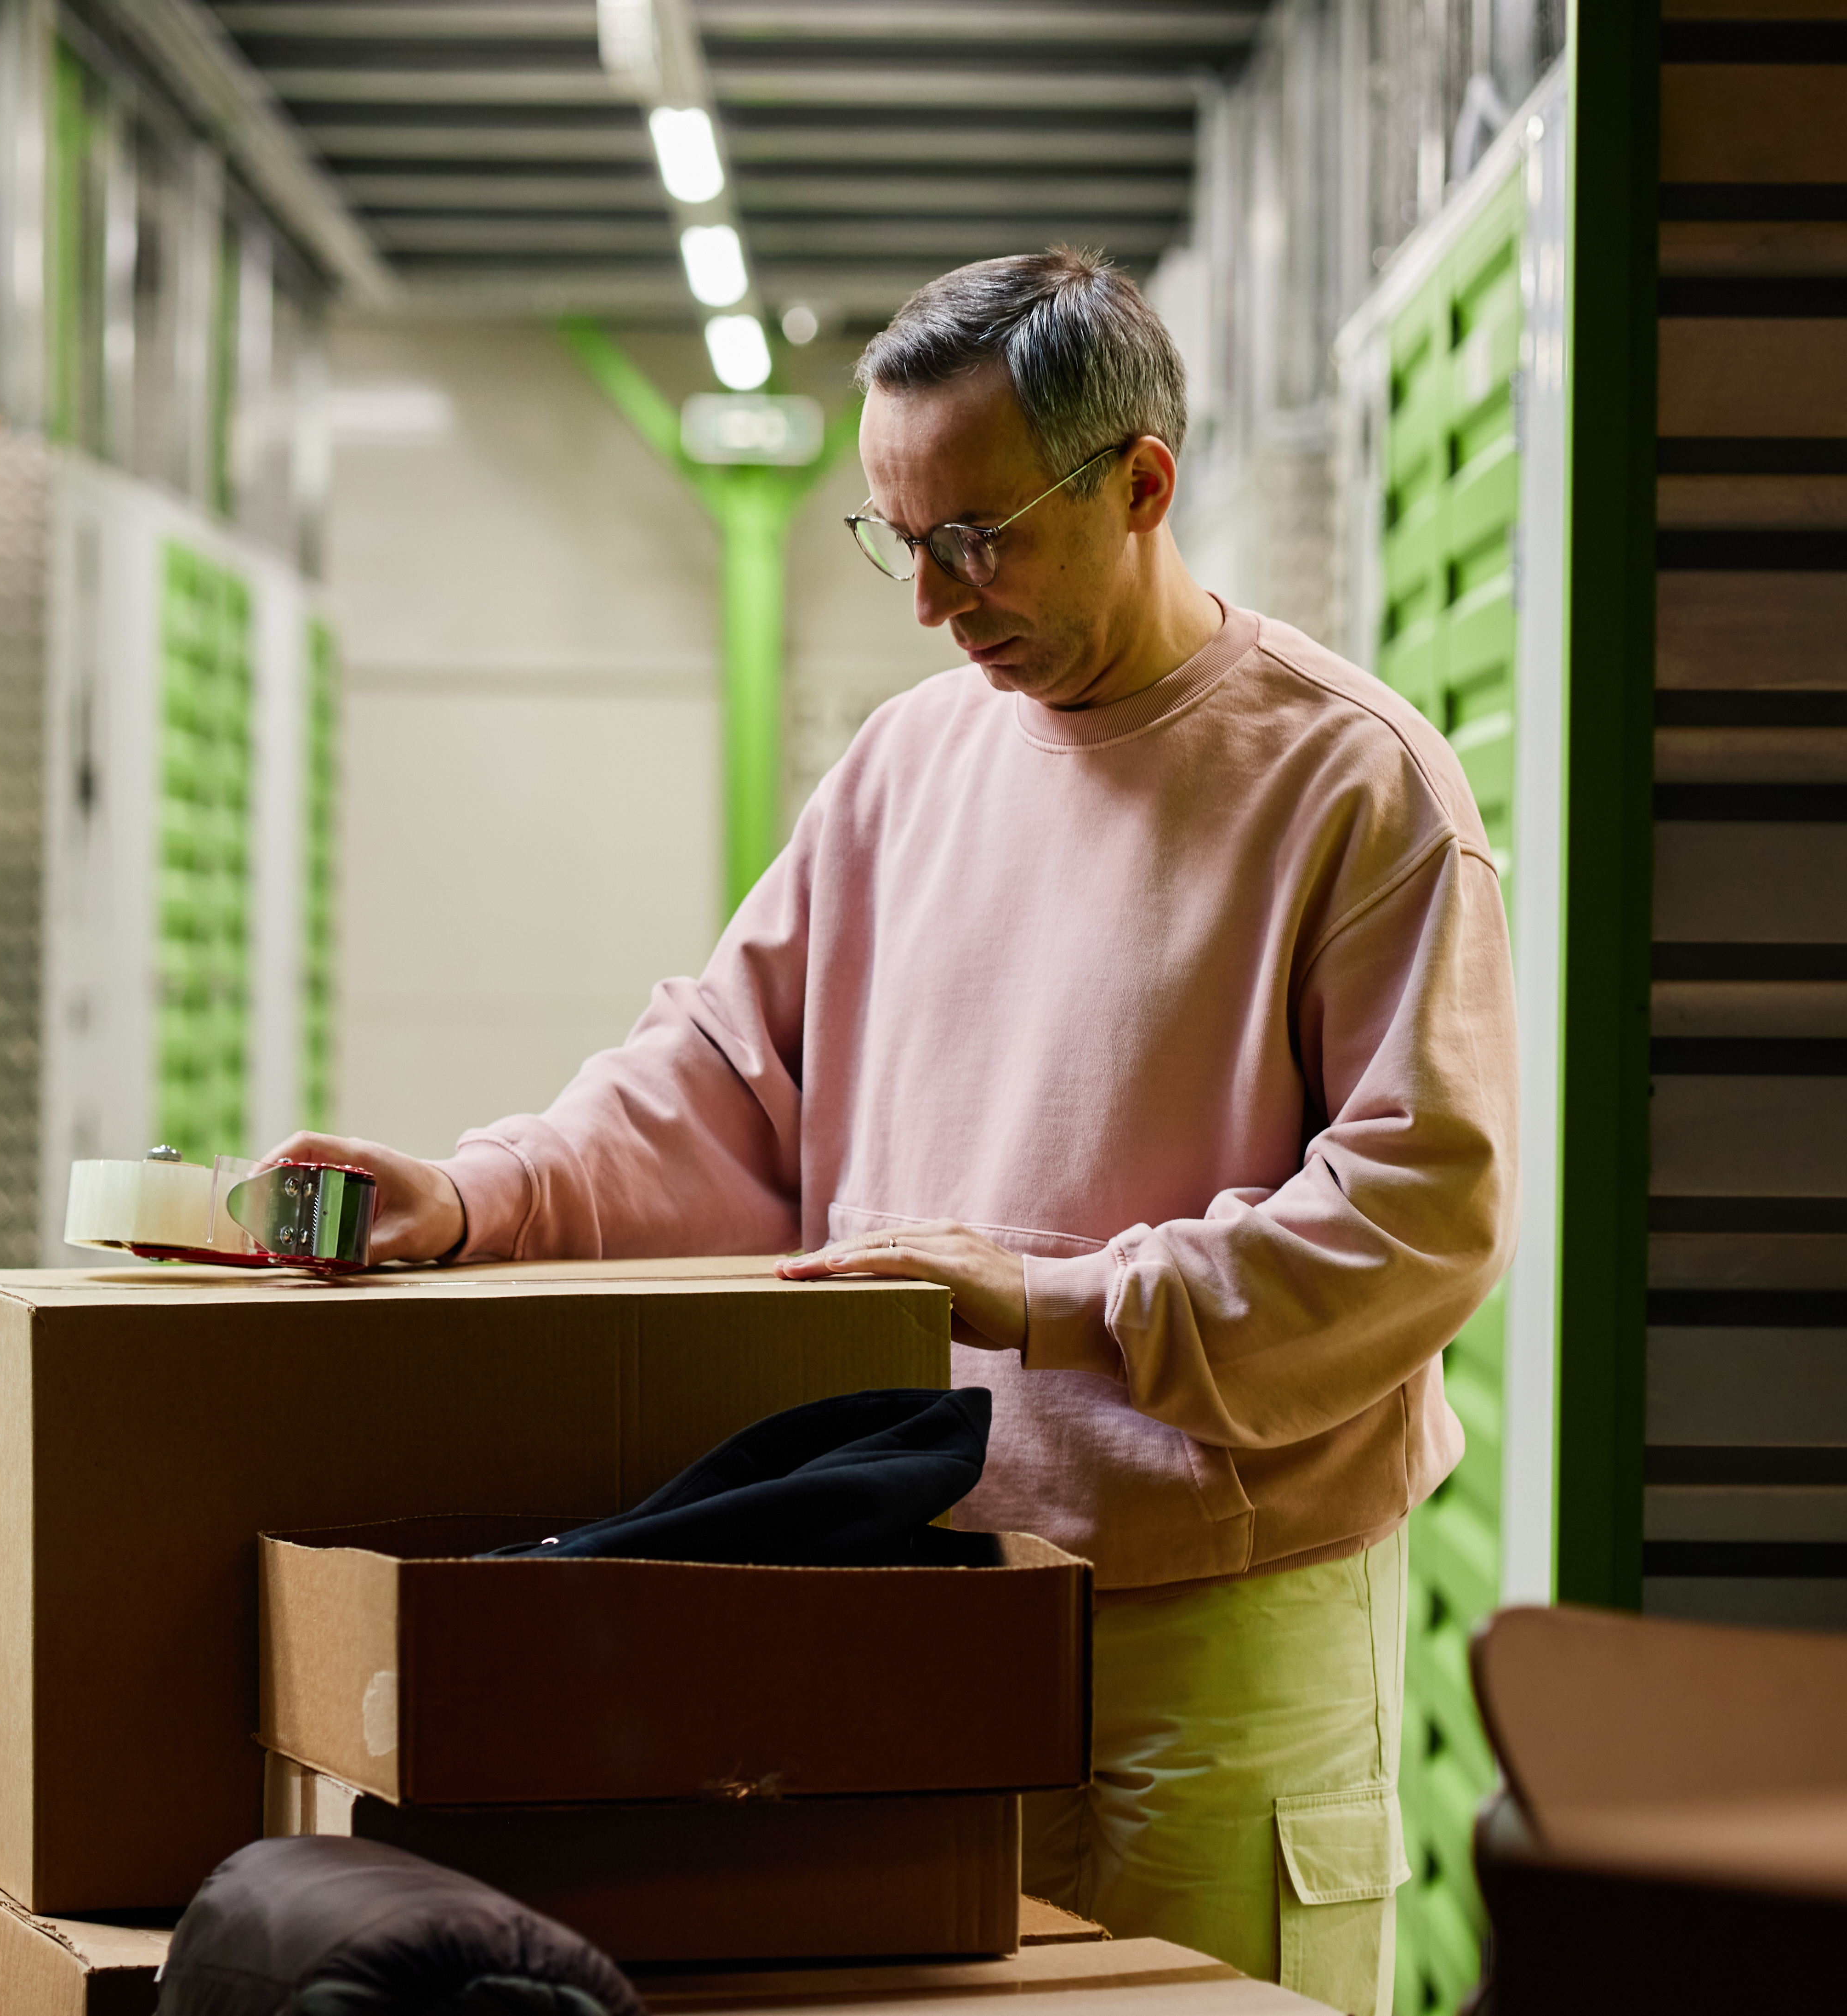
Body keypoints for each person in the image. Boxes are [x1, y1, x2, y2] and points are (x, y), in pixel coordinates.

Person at [269, 246, 1517, 2014]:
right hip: (927, 1597)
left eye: (974, 540)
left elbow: (1419, 1218)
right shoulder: (904, 767)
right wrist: (481, 1197)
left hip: (1223, 1616)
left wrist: (1052, 1298)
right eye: (895, 539)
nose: (930, 603)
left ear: (1143, 484)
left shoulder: (1351, 784)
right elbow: (719, 1074)